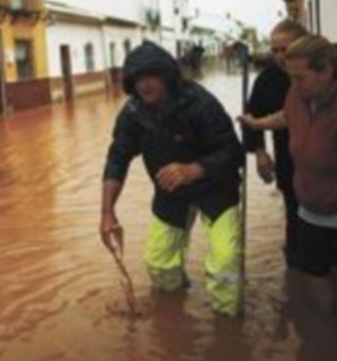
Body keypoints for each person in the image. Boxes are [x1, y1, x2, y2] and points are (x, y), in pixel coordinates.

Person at [240, 35, 337, 322]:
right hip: (310, 207)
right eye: (290, 77)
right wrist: (257, 124)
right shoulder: (298, 95)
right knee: (313, 272)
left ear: (326, 71)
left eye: (300, 78)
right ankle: (326, 331)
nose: (294, 84)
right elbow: (287, 116)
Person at [100, 41, 245, 317]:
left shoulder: (202, 104)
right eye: (137, 79)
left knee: (225, 263)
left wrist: (194, 169)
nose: (144, 85)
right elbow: (117, 159)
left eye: (150, 76)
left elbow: (233, 152)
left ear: (167, 75)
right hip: (171, 191)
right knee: (159, 264)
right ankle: (174, 316)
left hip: (216, 187)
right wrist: (107, 213)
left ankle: (228, 323)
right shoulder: (132, 114)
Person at [242, 19, 309, 268]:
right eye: (275, 50)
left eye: (285, 49)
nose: (280, 56)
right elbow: (253, 117)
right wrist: (260, 153)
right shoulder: (267, 79)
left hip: (325, 159)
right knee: (293, 210)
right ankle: (296, 266)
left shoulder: (320, 73)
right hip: (287, 156)